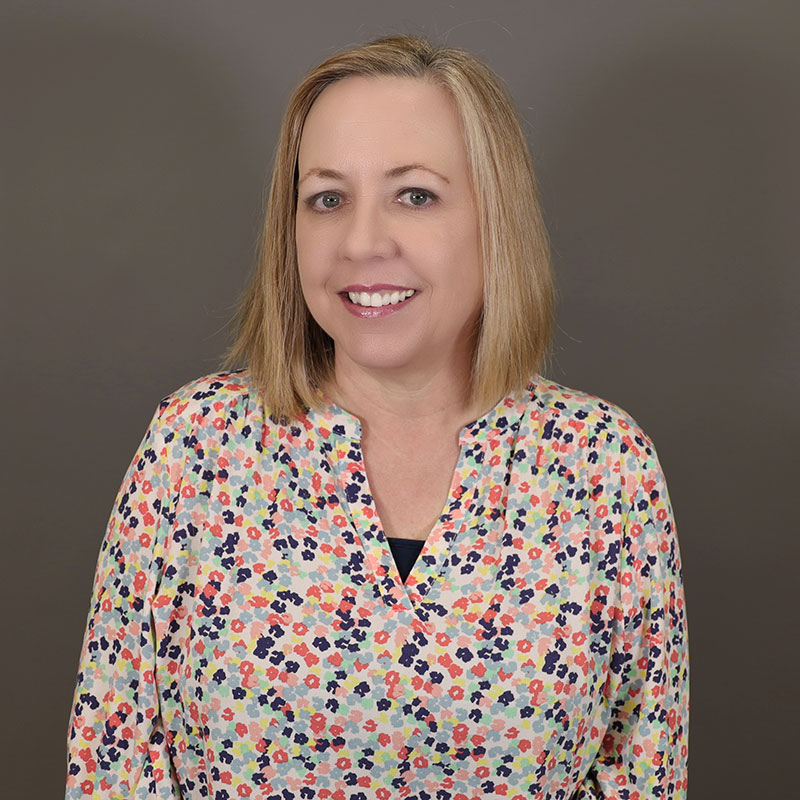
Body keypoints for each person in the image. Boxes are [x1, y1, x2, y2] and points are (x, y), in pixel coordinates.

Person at [65, 34, 689, 799]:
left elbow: (641, 774)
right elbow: (114, 764)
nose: (361, 242)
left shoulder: (603, 467)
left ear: (496, 217)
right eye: (327, 198)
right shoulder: (193, 448)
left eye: (415, 195)